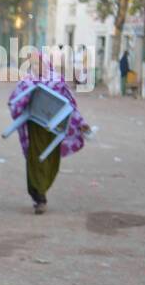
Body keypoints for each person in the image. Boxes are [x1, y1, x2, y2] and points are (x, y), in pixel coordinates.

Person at [9, 60, 92, 215]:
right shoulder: (27, 81)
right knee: (35, 159)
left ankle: (41, 192)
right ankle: (40, 198)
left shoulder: (58, 82)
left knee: (51, 160)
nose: (38, 67)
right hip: (35, 128)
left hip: (55, 128)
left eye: (41, 64)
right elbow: (16, 101)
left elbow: (69, 106)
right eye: (34, 64)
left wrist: (81, 122)